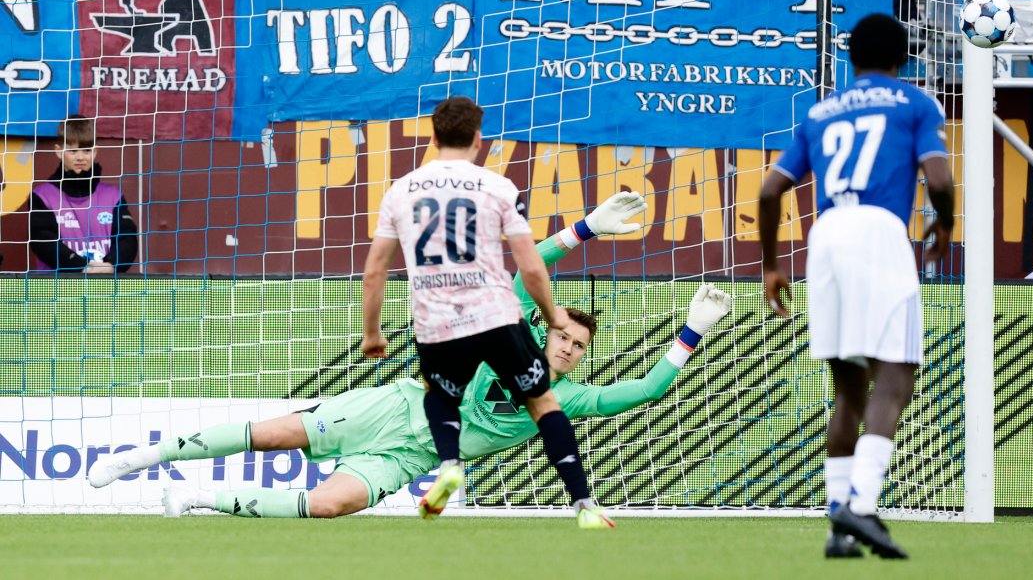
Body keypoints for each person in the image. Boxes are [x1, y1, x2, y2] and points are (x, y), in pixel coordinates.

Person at [87, 193, 733, 522]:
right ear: (548, 326)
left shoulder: (568, 400)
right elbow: (531, 265)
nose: (568, 346)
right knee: (272, 435)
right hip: (390, 406)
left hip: (407, 456)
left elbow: (646, 391)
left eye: (578, 347)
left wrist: (692, 331)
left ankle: (199, 503)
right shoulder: (506, 327)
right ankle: (149, 454)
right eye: (563, 333)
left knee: (327, 507)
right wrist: (587, 225)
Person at [359, 96, 614, 528]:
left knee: (439, 395)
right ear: (479, 139)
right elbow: (531, 266)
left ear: (435, 137)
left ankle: (449, 465)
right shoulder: (499, 188)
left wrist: (372, 334)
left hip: (438, 321)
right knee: (543, 402)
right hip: (496, 316)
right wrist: (553, 316)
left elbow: (375, 271)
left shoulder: (401, 191)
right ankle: (584, 505)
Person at [757, 13, 954, 560]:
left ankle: (838, 530)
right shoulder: (914, 102)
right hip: (879, 232)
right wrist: (947, 221)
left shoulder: (820, 112)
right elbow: (937, 179)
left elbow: (771, 191)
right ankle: (862, 505)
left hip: (826, 237)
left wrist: (772, 265)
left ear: (850, 60)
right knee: (894, 375)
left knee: (848, 389)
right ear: (904, 59)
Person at [29, 115, 138, 274]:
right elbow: (43, 242)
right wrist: (82, 267)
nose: (80, 157)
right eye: (73, 150)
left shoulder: (113, 196)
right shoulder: (42, 196)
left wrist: (110, 265)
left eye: (86, 150)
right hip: (56, 291)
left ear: (95, 152)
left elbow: (127, 239)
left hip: (104, 287)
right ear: (59, 152)